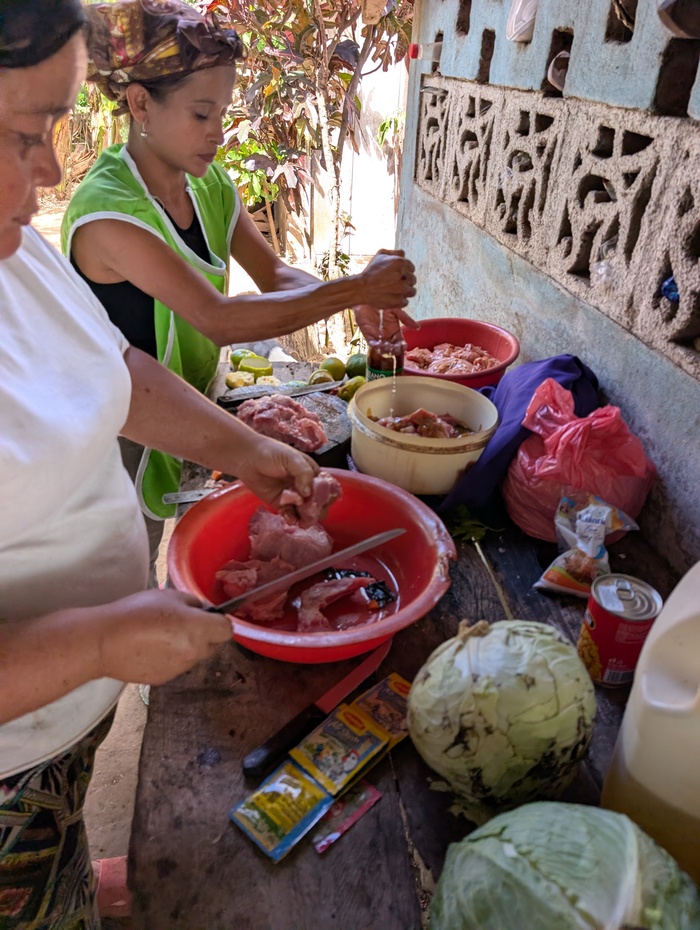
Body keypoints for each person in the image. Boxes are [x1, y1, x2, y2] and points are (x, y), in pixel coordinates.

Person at [0, 3, 328, 925]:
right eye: (25, 134)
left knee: (67, 826)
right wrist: (103, 642)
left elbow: (113, 367)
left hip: (61, 720)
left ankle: (72, 860)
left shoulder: (15, 252)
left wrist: (246, 449)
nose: (51, 171)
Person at [62, 0, 418, 582]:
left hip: (188, 408)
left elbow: (275, 275)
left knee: (186, 548)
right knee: (125, 573)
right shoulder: (109, 213)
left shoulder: (208, 186)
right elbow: (218, 318)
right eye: (202, 114)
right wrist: (353, 286)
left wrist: (351, 297)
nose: (219, 133)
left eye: (223, 113)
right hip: (116, 432)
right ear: (140, 103)